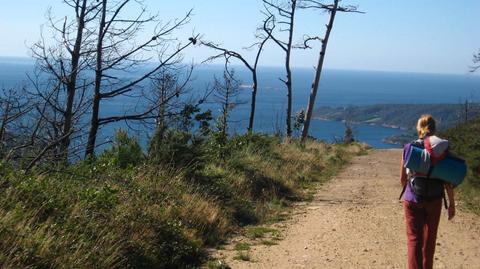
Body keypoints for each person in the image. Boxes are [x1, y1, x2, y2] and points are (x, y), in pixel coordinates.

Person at [399, 114, 455, 269]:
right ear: (435, 129)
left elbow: (402, 179)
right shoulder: (442, 149)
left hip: (413, 198)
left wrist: (409, 192)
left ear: (419, 129)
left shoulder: (409, 147)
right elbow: (448, 179)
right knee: (429, 241)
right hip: (435, 199)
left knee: (414, 240)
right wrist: (451, 204)